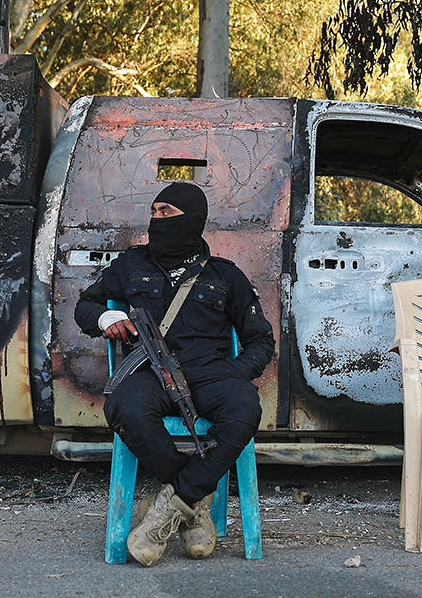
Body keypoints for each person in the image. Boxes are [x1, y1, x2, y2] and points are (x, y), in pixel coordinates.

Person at [75, 182, 275, 566]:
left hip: (210, 372)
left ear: (192, 219)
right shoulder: (130, 266)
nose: (155, 220)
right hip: (149, 370)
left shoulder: (225, 275)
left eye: (166, 212)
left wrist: (233, 375)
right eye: (154, 212)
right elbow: (86, 304)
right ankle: (194, 502)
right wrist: (107, 317)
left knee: (245, 407)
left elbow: (261, 341)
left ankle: (169, 506)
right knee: (125, 409)